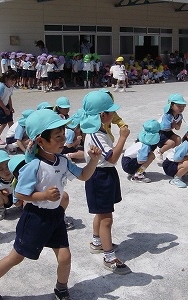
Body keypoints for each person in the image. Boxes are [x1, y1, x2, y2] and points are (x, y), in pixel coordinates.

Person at [0, 109, 102, 300]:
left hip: (55, 216)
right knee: (17, 256)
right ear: (41, 141)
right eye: (57, 137)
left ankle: (61, 289)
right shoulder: (33, 166)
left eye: (63, 136)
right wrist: (43, 195)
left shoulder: (62, 161)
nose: (62, 141)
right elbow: (20, 194)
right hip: (35, 218)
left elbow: (84, 175)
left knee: (65, 257)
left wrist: (93, 160)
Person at [79, 90, 132, 275]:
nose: (114, 115)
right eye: (111, 111)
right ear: (103, 115)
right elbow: (112, 158)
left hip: (103, 175)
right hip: (99, 177)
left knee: (101, 214)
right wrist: (123, 137)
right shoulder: (96, 135)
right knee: (107, 218)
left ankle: (97, 242)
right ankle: (109, 257)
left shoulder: (99, 130)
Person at [155, 93, 186, 164]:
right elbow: (164, 128)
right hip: (159, 132)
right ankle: (159, 152)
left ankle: (173, 154)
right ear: (171, 106)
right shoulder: (167, 115)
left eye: (183, 106)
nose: (181, 108)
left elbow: (178, 128)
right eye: (179, 106)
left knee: (178, 139)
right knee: (171, 143)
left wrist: (174, 125)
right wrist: (173, 126)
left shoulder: (179, 116)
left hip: (167, 131)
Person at [0, 69, 18, 145]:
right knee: (3, 123)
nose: (13, 82)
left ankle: (14, 135)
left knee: (10, 121)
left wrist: (10, 107)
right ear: (6, 79)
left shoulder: (10, 87)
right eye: (12, 80)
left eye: (15, 80)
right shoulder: (1, 86)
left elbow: (9, 97)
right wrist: (5, 108)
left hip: (5, 104)